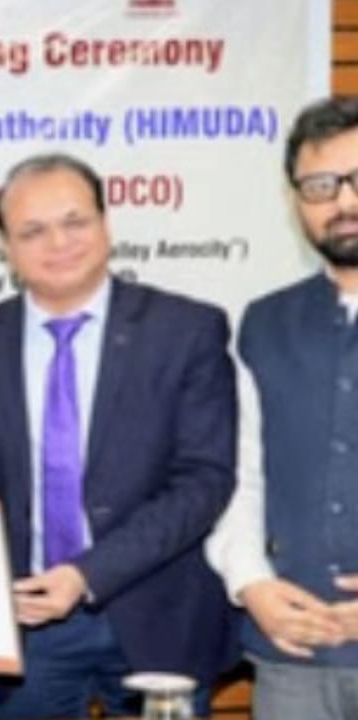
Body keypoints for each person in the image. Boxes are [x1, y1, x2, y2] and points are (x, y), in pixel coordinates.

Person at [0, 152, 237, 719]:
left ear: (105, 224)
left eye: (75, 221)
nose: (59, 243)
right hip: (24, 629)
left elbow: (204, 481)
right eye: (33, 231)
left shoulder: (186, 331)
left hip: (158, 618)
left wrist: (88, 575)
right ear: (6, 247)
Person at [206, 95, 358, 719]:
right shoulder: (264, 323)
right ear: (295, 200)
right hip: (293, 653)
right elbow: (239, 476)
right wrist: (251, 584)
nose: (343, 201)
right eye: (320, 186)